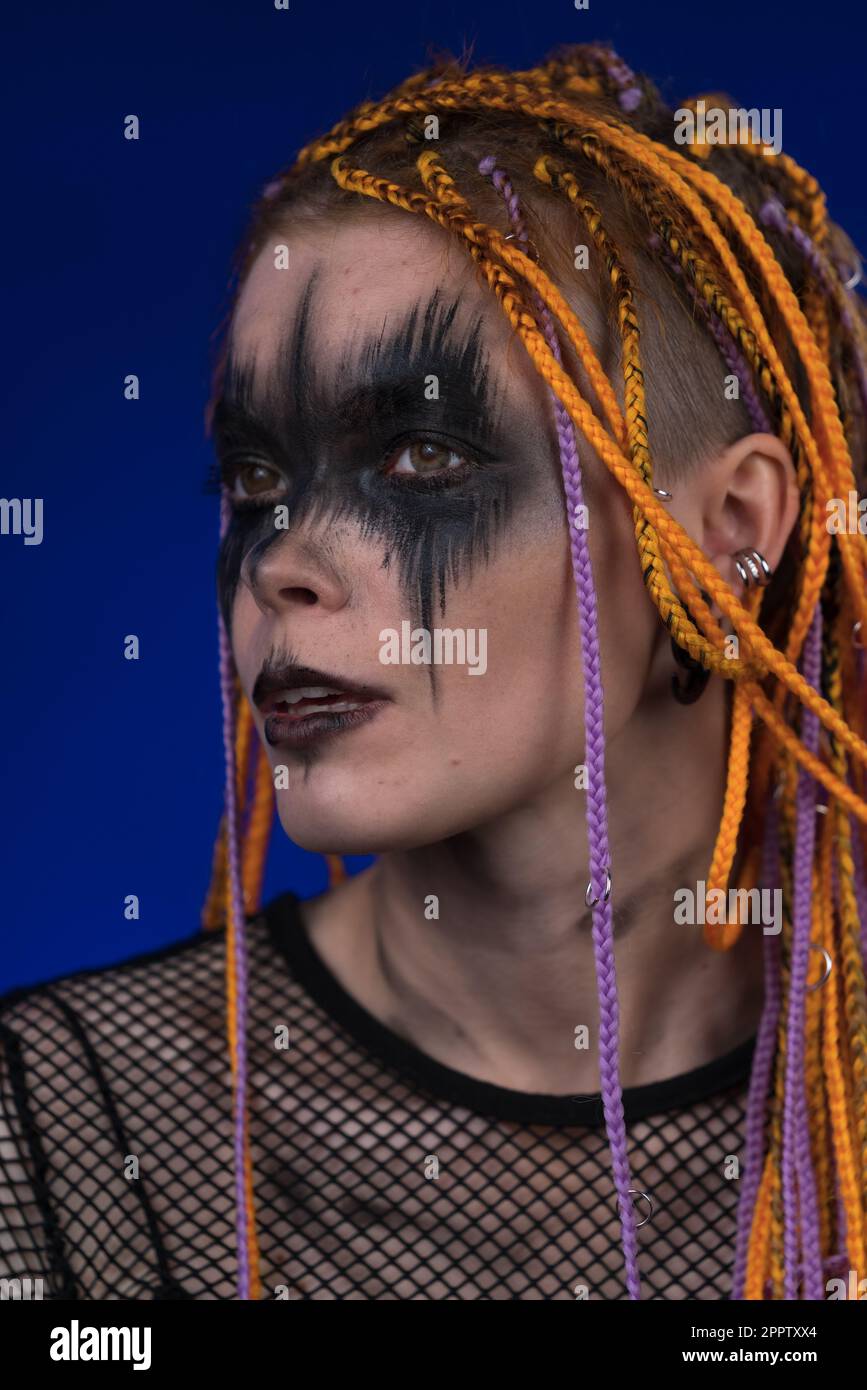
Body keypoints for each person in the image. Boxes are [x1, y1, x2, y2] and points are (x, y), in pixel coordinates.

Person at [2, 42, 866, 1302]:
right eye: (255, 480)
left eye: (418, 456)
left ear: (732, 526)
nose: (281, 561)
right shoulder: (64, 1131)